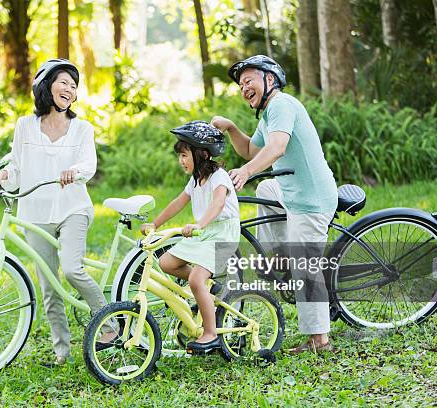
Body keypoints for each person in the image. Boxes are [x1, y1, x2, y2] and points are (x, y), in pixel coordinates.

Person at [0, 58, 113, 366]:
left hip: (73, 209)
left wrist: (74, 171)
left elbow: (88, 165)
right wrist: (0, 176)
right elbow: (16, 168)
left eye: (73, 85)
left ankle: (109, 327)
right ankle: (62, 352)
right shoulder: (25, 126)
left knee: (71, 269)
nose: (69, 89)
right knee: (49, 285)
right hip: (35, 211)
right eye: (63, 82)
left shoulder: (82, 128)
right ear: (46, 85)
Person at [211, 55, 338, 354]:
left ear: (270, 79)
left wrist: (245, 172)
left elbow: (277, 148)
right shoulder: (269, 115)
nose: (244, 88)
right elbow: (251, 150)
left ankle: (320, 340)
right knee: (268, 187)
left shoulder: (282, 104)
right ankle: (277, 259)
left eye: (248, 80)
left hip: (311, 200)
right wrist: (231, 128)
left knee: (305, 265)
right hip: (293, 193)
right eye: (241, 85)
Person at [141, 121, 240, 354]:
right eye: (180, 156)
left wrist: (199, 224)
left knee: (195, 279)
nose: (181, 161)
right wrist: (155, 224)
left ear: (203, 154)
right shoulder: (195, 179)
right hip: (203, 232)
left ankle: (211, 333)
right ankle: (211, 287)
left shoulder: (219, 177)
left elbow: (217, 204)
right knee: (167, 262)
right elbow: (178, 202)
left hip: (221, 233)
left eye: (185, 155)